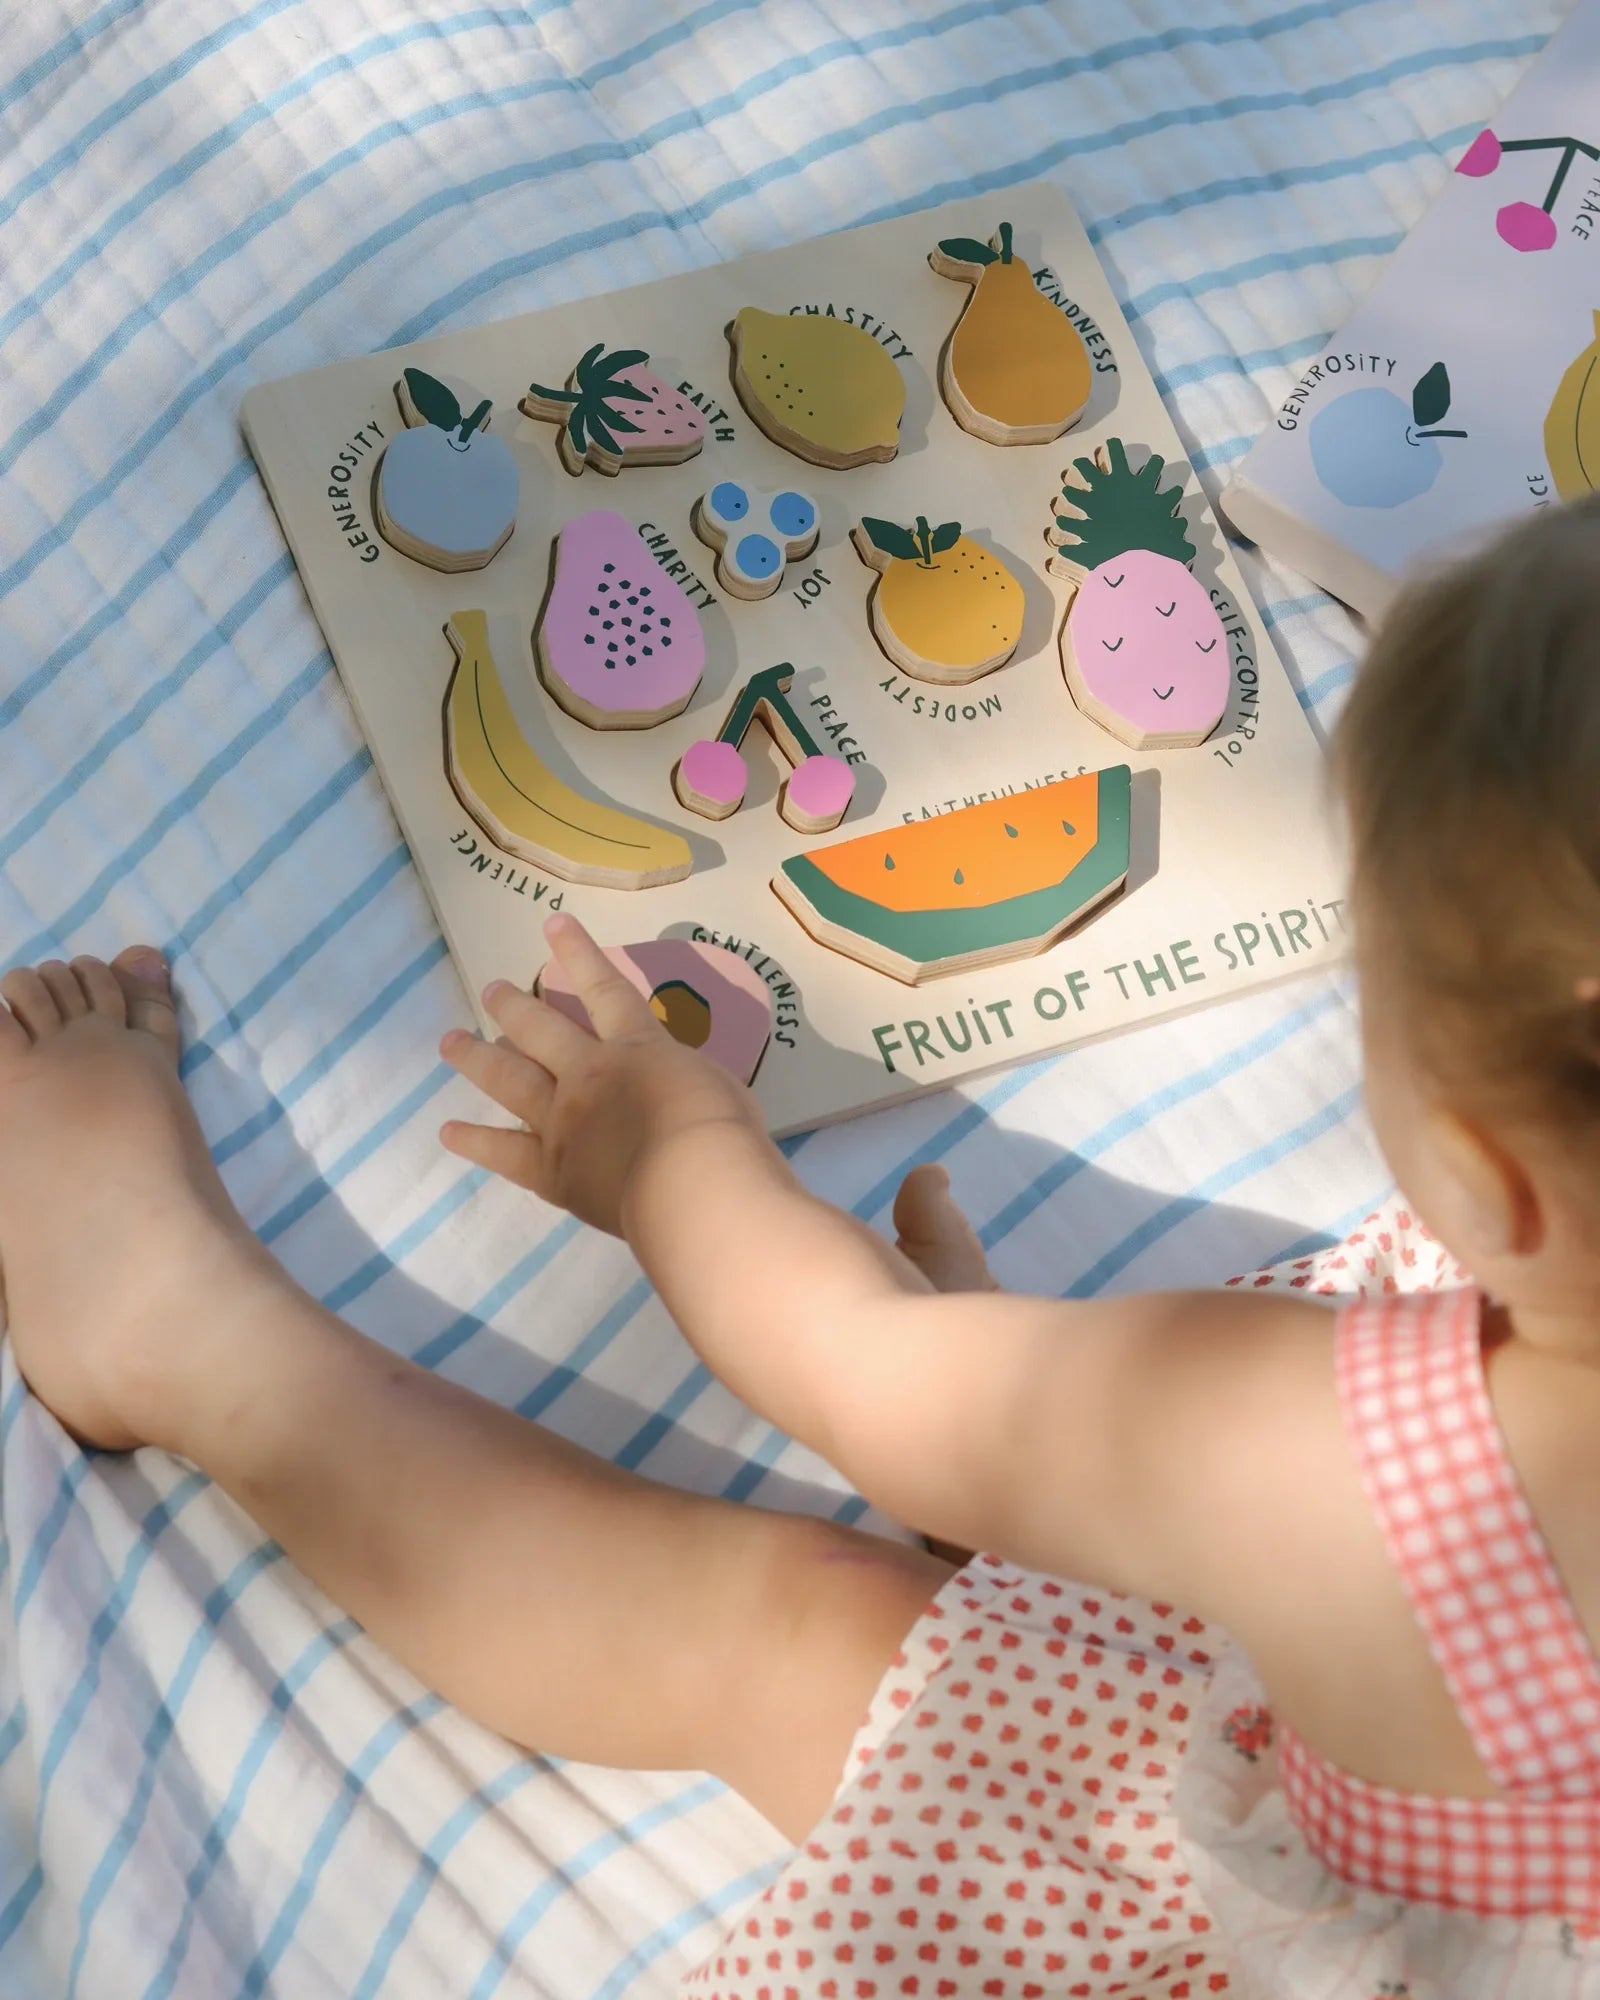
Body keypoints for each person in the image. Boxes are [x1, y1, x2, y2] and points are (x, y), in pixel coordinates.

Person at [4, 497, 1600, 1997]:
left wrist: (671, 1152)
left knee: (774, 1622)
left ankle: (166, 1324)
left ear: (1485, 1172)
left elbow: (840, 1361)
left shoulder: (1336, 1466)